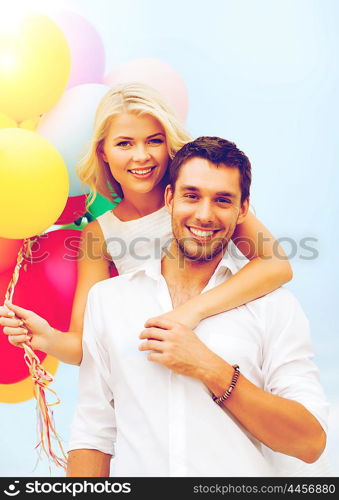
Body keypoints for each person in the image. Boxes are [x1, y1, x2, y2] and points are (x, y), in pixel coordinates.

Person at [67, 137, 328, 477]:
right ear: (170, 198)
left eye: (222, 200)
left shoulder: (274, 307)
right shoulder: (109, 301)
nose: (204, 215)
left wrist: (210, 368)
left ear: (243, 209)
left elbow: (309, 443)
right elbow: (93, 432)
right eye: (191, 195)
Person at [0, 82, 292, 365]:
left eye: (154, 140)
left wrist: (193, 311)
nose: (141, 156)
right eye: (124, 143)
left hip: (236, 348)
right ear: (103, 151)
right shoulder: (99, 235)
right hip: (164, 364)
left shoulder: (197, 196)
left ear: (168, 143)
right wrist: (47, 338)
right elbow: (84, 347)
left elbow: (276, 265)